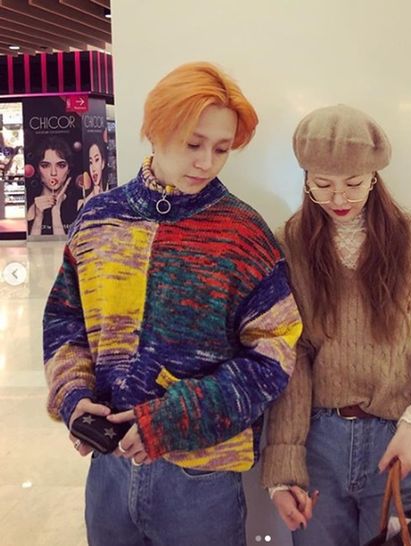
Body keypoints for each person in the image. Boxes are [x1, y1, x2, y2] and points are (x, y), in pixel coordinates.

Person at [43, 62, 302, 546]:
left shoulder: (243, 233)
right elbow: (64, 322)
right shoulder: (98, 218)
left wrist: (174, 418)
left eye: (221, 149)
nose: (206, 162)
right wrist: (73, 398)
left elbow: (275, 352)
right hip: (109, 468)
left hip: (200, 477)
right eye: (193, 143)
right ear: (156, 129)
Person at [261, 105, 411, 545]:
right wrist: (283, 471)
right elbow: (291, 356)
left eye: (353, 183)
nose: (339, 199)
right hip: (318, 442)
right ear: (305, 179)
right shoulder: (290, 243)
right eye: (322, 184)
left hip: (396, 439)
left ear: (375, 176)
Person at [26, 136, 79, 235]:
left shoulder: (79, 204)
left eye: (61, 165)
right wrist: (38, 217)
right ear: (38, 170)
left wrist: (55, 212)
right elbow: (33, 244)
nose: (53, 173)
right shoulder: (29, 209)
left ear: (68, 169)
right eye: (45, 165)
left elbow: (71, 244)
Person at [83, 136, 108, 204]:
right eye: (90, 162)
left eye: (96, 160)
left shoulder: (110, 195)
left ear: (103, 163)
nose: (93, 169)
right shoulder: (85, 202)